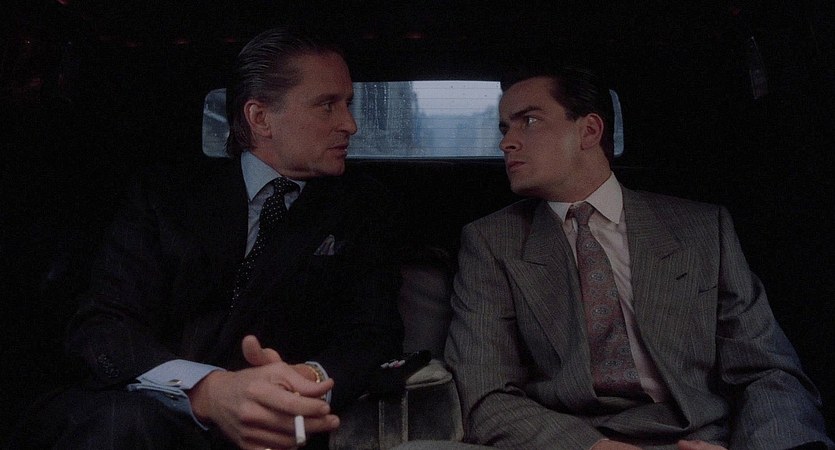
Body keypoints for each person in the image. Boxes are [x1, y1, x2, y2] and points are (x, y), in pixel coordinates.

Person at [9, 27, 403, 450]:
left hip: (273, 425)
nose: (350, 124)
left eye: (348, 104)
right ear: (260, 118)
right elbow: (103, 323)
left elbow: (372, 333)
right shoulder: (165, 198)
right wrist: (206, 391)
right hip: (142, 412)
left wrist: (305, 381)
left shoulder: (363, 209)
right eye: (327, 106)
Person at [443, 64, 833, 449]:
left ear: (589, 131)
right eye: (504, 129)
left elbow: (766, 371)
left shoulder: (702, 228)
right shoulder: (492, 242)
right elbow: (485, 393)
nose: (507, 143)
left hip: (703, 439)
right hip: (575, 441)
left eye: (528, 121)